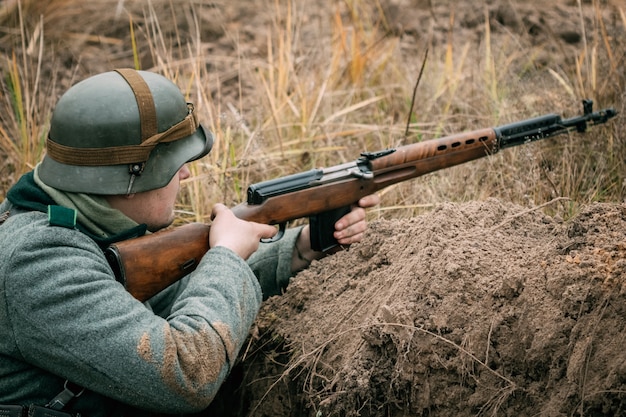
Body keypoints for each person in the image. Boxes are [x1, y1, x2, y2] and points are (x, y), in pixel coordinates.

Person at [0, 69, 380, 416]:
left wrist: (298, 248)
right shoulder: (38, 263)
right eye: (171, 163)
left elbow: (174, 293)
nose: (184, 172)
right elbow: (187, 375)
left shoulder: (78, 220)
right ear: (127, 178)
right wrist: (227, 256)